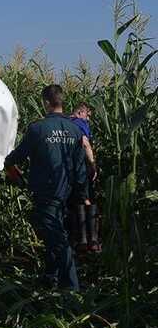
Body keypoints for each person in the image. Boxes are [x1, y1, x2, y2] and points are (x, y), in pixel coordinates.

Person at [4, 85, 88, 291]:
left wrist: (7, 162)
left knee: (56, 237)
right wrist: (83, 195)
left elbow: (18, 156)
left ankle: (71, 289)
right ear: (61, 101)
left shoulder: (37, 129)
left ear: (46, 103)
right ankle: (51, 276)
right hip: (66, 191)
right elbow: (80, 167)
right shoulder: (75, 130)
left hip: (46, 191)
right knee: (54, 231)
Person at [69, 103, 101, 253]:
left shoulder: (66, 123)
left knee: (76, 201)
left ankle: (80, 240)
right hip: (81, 166)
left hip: (68, 169)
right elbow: (85, 144)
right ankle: (91, 241)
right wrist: (93, 164)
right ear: (81, 112)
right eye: (87, 115)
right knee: (86, 199)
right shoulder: (79, 123)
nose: (88, 119)